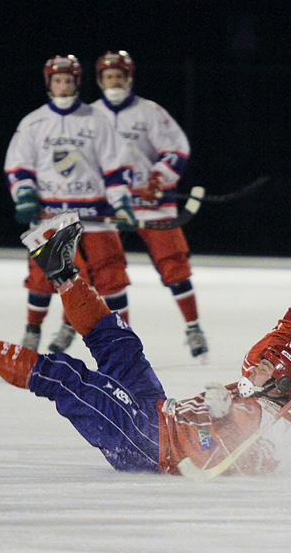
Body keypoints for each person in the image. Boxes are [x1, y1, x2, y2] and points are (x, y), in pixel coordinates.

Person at [0, 212, 291, 476]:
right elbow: (261, 354)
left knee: (67, 377)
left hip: (148, 443)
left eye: (267, 367)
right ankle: (61, 270)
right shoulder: (263, 394)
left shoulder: (262, 422)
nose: (254, 367)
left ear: (281, 385)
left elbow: (222, 462)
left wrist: (222, 418)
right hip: (158, 413)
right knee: (121, 345)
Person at [4, 55, 136, 355]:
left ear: (78, 82)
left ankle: (124, 341)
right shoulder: (34, 122)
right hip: (50, 215)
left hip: (94, 215)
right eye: (58, 81)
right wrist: (24, 196)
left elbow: (115, 168)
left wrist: (122, 204)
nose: (63, 87)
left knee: (111, 276)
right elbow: (19, 166)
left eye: (68, 81)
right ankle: (32, 331)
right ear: (49, 83)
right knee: (41, 277)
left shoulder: (97, 121)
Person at [91, 51, 209, 362]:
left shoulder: (150, 111)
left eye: (118, 76)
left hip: (152, 204)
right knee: (107, 273)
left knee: (174, 266)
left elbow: (176, 148)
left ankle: (193, 327)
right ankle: (121, 340)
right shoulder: (88, 116)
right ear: (99, 80)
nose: (113, 81)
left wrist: (159, 178)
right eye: (108, 76)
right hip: (111, 207)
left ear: (128, 78)